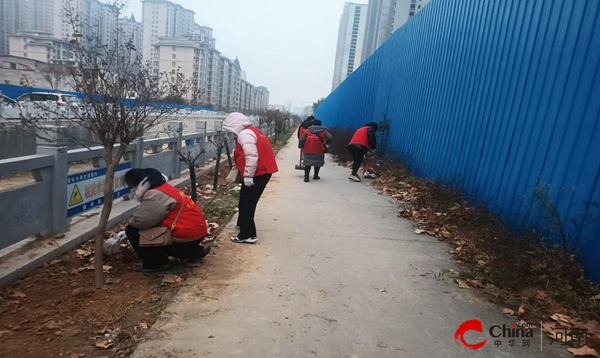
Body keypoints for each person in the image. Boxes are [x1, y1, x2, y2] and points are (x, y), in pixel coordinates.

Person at [119, 168, 210, 272]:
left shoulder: (154, 195)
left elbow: (142, 221)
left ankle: (155, 263)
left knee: (133, 231)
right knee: (148, 230)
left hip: (186, 234)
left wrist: (129, 226)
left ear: (137, 183)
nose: (132, 189)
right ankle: (194, 252)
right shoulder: (164, 188)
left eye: (131, 186)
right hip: (197, 231)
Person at [224, 112, 278, 244]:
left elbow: (252, 156)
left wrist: (248, 176)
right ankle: (242, 224)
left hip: (257, 173)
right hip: (262, 172)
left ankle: (247, 235)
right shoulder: (253, 131)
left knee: (247, 203)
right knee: (246, 200)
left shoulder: (245, 134)